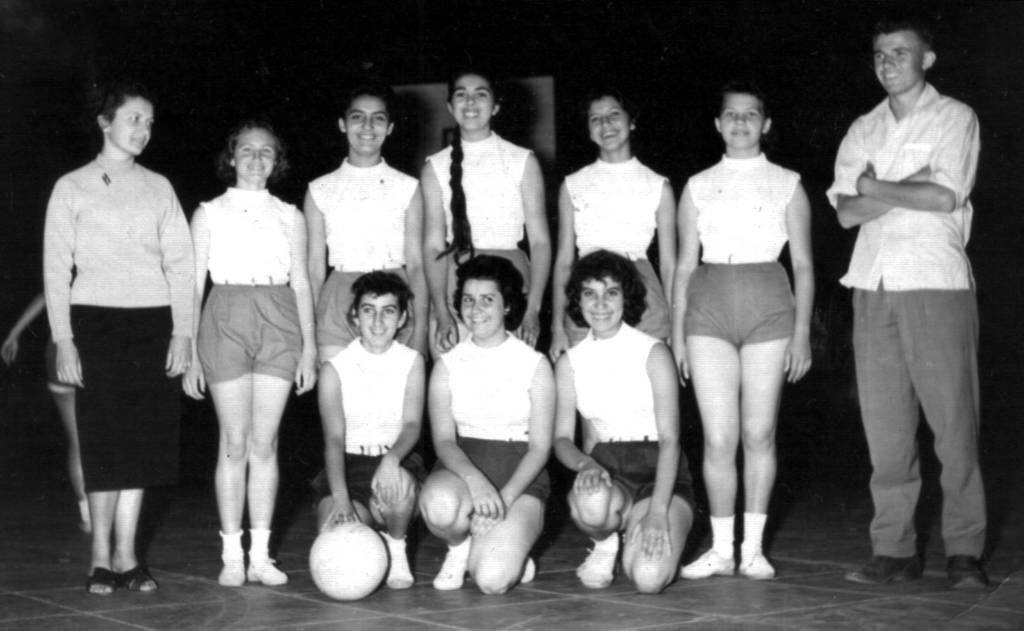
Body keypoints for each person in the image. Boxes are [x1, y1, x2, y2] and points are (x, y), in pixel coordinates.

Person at [827, 21, 986, 590]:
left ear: (929, 58)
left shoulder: (954, 117)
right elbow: (844, 214)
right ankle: (894, 550)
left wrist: (874, 187)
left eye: (901, 52)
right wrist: (903, 185)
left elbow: (945, 195)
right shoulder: (863, 127)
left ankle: (964, 550)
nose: (887, 62)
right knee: (886, 431)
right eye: (879, 54)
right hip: (873, 284)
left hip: (936, 282)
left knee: (953, 425)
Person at [43, 82, 195, 595]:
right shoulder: (71, 187)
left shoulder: (160, 187)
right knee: (104, 445)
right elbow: (55, 268)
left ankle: (129, 557)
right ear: (105, 122)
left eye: (150, 122)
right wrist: (64, 339)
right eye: (134, 119)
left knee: (144, 446)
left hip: (152, 325)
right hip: (96, 326)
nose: (144, 130)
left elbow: (182, 264)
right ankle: (100, 557)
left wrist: (184, 332)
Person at [673, 82, 814, 581]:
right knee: (719, 437)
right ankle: (721, 548)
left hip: (769, 309)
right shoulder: (695, 185)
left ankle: (752, 549)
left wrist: (801, 335)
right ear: (717, 124)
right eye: (730, 114)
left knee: (758, 432)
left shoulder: (789, 183)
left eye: (750, 114)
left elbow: (802, 263)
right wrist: (676, 335)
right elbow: (685, 266)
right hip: (708, 312)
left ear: (766, 124)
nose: (739, 123)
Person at [183, 121, 317, 587]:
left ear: (276, 161)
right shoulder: (208, 212)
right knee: (233, 441)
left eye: (266, 152)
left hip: (279, 316)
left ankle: (260, 555)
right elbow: (193, 284)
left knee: (266, 442)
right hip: (225, 315)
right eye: (247, 150)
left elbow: (301, 280)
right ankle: (232, 555)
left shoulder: (290, 215)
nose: (256, 159)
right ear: (232, 156)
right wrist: (192, 352)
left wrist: (309, 348)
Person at [554, 250, 694, 593]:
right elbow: (560, 438)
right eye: (590, 293)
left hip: (660, 474)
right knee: (590, 505)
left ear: (626, 297)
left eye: (611, 292)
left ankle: (645, 528)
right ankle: (606, 543)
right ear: (578, 300)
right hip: (608, 471)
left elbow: (671, 440)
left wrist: (658, 513)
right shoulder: (570, 362)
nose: (600, 304)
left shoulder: (654, 352)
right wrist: (585, 463)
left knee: (648, 579)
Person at [418, 255, 555, 594]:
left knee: (492, 581)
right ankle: (458, 548)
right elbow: (444, 441)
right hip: (464, 466)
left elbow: (540, 448)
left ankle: (513, 550)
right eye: (468, 299)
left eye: (487, 299)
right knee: (438, 506)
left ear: (507, 305)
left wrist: (503, 500)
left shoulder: (534, 363)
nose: (475, 309)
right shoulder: (447, 364)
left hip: (520, 472)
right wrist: (476, 482)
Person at [422, 70, 551, 356]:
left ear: (495, 106)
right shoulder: (435, 166)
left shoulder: (523, 161)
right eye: (461, 95)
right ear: (449, 106)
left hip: (511, 281)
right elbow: (433, 245)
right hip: (455, 281)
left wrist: (533, 309)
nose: (470, 102)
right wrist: (442, 311)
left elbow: (540, 242)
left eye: (480, 94)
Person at [313, 271, 426, 589]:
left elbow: (412, 425)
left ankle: (396, 546)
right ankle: (369, 527)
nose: (378, 321)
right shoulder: (335, 368)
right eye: (368, 310)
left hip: (395, 459)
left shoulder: (412, 362)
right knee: (335, 537)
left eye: (388, 311)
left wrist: (391, 460)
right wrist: (341, 497)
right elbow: (334, 439)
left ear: (403, 318)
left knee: (397, 485)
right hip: (349, 467)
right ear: (354, 316)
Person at [549, 89, 676, 361]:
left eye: (614, 115)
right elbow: (563, 261)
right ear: (589, 130)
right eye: (596, 119)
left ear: (631, 121)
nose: (605, 124)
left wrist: (676, 326)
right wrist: (557, 326)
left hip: (641, 294)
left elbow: (669, 265)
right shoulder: (573, 185)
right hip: (588, 289)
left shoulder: (658, 185)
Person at [305, 84, 428, 362]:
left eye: (379, 118)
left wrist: (420, 328)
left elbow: (418, 265)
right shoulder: (319, 189)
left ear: (391, 127)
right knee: (339, 397)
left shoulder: (407, 187)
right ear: (342, 123)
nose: (368, 126)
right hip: (338, 299)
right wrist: (308, 336)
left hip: (394, 294)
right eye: (358, 116)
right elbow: (314, 269)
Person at [2, 294, 90, 533]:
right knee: (106, 438)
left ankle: (88, 517)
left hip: (58, 354)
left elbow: (43, 297)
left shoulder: (62, 268)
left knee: (78, 441)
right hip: (90, 353)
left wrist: (14, 334)